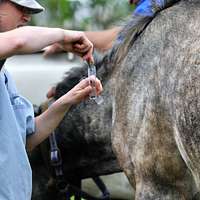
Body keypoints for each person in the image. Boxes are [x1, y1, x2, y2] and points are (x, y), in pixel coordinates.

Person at [0, 0, 102, 199]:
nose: (27, 17)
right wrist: (64, 35)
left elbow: (27, 139)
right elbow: (18, 41)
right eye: (20, 8)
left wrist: (68, 100)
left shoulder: (5, 76)